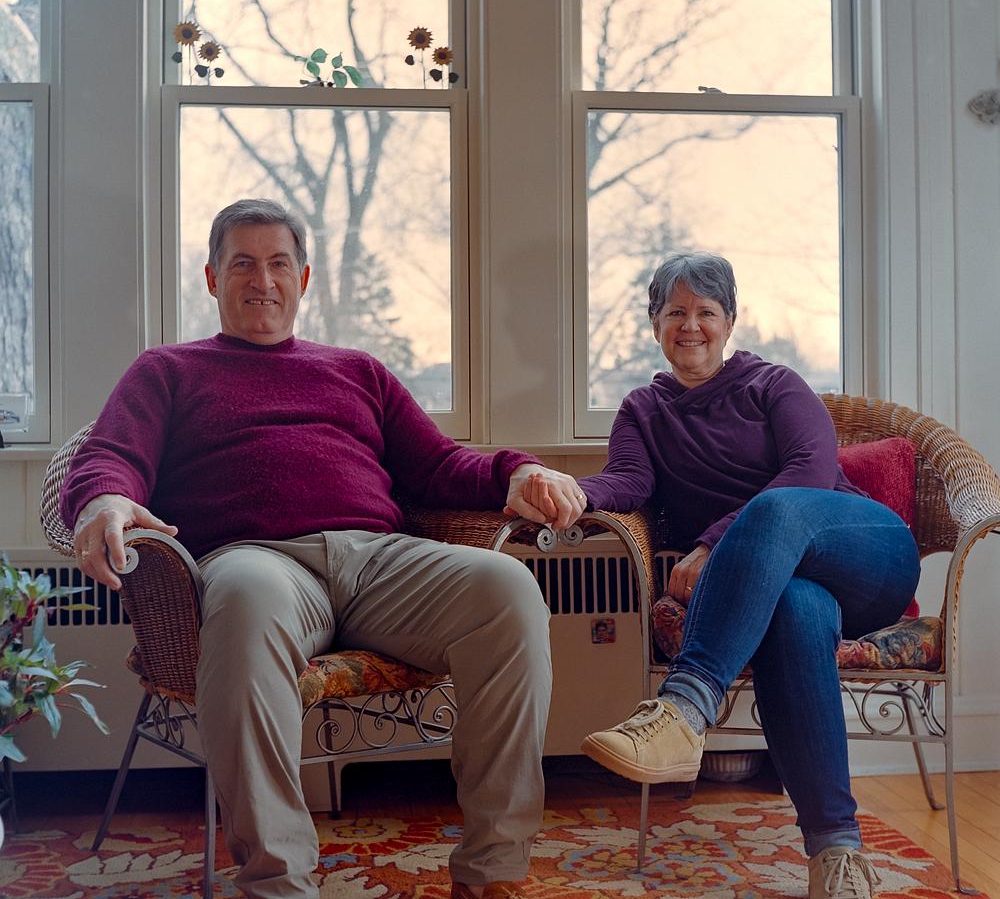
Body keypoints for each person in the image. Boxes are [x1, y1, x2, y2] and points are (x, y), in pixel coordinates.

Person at [61, 199, 587, 899]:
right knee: (244, 600)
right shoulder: (167, 370)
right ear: (212, 277)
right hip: (257, 561)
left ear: (303, 278)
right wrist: (103, 499)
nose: (263, 280)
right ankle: (278, 881)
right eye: (243, 264)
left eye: (279, 263)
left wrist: (516, 471)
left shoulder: (358, 370)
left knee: (508, 589)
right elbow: (110, 455)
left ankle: (494, 871)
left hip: (380, 561)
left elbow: (438, 464)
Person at [528, 252, 919, 899]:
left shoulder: (773, 385)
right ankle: (837, 856)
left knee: (775, 508)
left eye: (706, 311)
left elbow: (809, 470)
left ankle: (685, 708)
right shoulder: (643, 410)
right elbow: (628, 482)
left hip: (866, 556)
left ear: (729, 321)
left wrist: (713, 543)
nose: (691, 325)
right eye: (675, 312)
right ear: (654, 323)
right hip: (784, 588)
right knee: (795, 612)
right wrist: (569, 490)